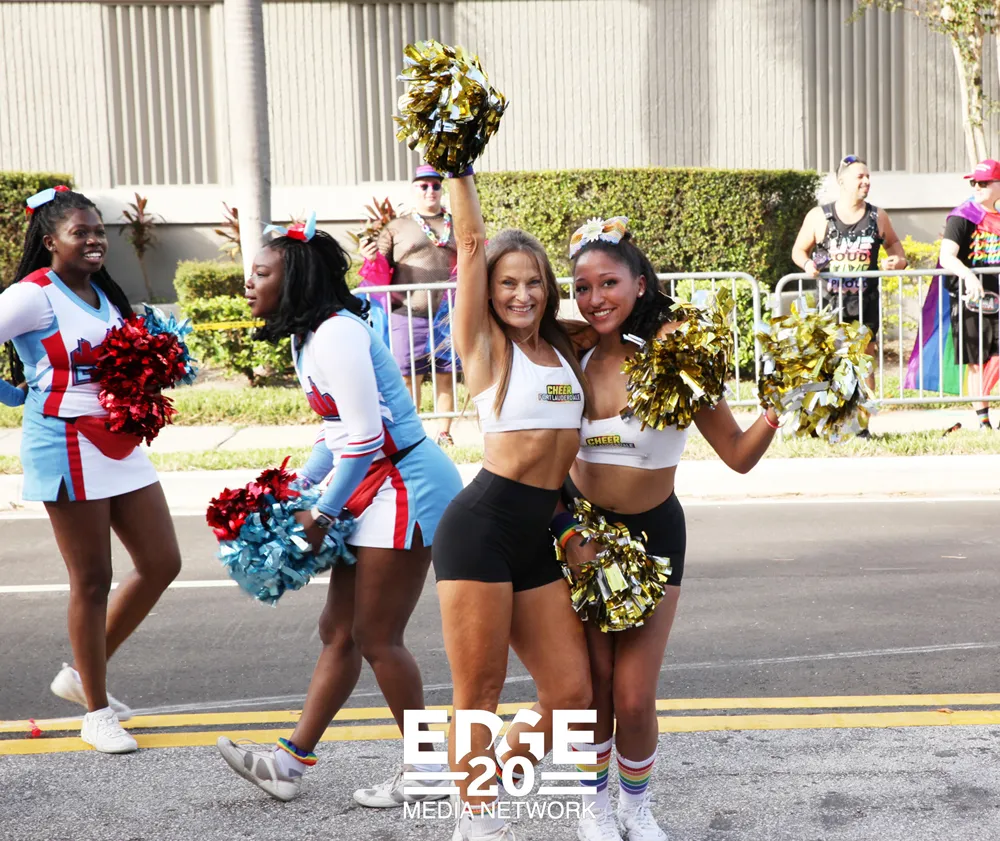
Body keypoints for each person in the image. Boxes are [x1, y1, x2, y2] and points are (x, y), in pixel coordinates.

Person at [216, 216, 463, 808]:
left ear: (294, 278)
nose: (249, 283)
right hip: (373, 482)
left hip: (406, 483)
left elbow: (368, 437)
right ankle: (288, 764)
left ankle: (427, 768)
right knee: (339, 631)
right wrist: (294, 486)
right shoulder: (310, 337)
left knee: (378, 636)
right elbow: (337, 434)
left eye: (261, 273)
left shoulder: (337, 336)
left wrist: (321, 513)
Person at [563, 218, 780, 841]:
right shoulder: (569, 358)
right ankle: (592, 808)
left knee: (634, 696)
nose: (595, 298)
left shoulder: (678, 361)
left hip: (655, 536)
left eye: (609, 283)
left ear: (639, 284)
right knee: (593, 689)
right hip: (583, 538)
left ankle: (636, 807)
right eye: (582, 287)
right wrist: (569, 534)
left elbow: (737, 454)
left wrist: (778, 408)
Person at [431, 172, 594, 841]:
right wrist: (459, 167)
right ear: (490, 292)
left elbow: (627, 313)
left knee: (570, 692)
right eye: (507, 284)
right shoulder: (484, 346)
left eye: (533, 282)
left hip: (537, 535)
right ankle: (476, 815)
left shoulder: (565, 347)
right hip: (480, 532)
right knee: (481, 692)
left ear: (548, 287)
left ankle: (483, 778)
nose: (521, 294)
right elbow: (471, 243)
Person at [0, 187, 182, 753]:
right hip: (66, 442)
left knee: (162, 562)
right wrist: (12, 393)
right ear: (49, 241)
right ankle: (97, 714)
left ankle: (82, 674)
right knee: (93, 579)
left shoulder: (104, 293)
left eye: (99, 231)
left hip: (117, 440)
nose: (94, 240)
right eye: (80, 232)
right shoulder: (32, 295)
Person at [791, 154, 907, 423]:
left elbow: (895, 248)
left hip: (865, 301)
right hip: (829, 302)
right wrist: (807, 264)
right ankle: (830, 421)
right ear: (842, 182)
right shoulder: (819, 216)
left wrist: (897, 261)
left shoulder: (878, 216)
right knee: (829, 361)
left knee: (864, 361)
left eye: (868, 177)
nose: (866, 181)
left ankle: (862, 423)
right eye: (860, 177)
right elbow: (798, 250)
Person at [360, 164, 460, 446]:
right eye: (423, 186)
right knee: (407, 376)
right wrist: (369, 257)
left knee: (447, 374)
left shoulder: (457, 224)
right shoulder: (397, 227)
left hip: (448, 315)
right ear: (414, 189)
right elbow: (379, 268)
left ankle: (444, 434)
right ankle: (412, 435)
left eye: (435, 185)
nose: (430, 191)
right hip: (406, 314)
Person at [936, 158, 1000, 429]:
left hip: (998, 298)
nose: (977, 187)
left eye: (984, 183)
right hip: (970, 300)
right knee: (976, 361)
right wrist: (968, 275)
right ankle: (984, 422)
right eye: (974, 182)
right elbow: (947, 257)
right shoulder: (963, 216)